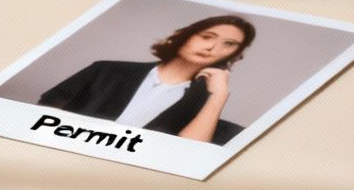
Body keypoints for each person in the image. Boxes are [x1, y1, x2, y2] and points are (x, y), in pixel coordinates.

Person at [38, 15, 257, 145]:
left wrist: (218, 97)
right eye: (207, 37)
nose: (212, 47)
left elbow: (189, 154)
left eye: (228, 44)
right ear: (186, 35)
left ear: (234, 55)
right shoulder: (107, 70)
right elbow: (42, 114)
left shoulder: (204, 106)